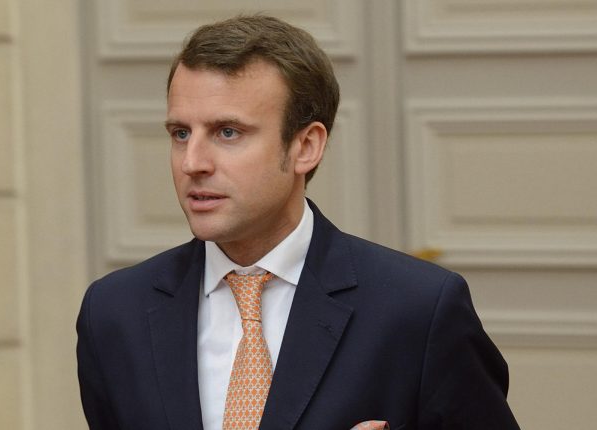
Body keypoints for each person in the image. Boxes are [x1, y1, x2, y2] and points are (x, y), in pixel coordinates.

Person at [77, 15, 520, 430]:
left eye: (228, 132)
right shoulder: (113, 314)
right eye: (180, 133)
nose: (192, 162)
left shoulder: (419, 310)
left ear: (305, 146)